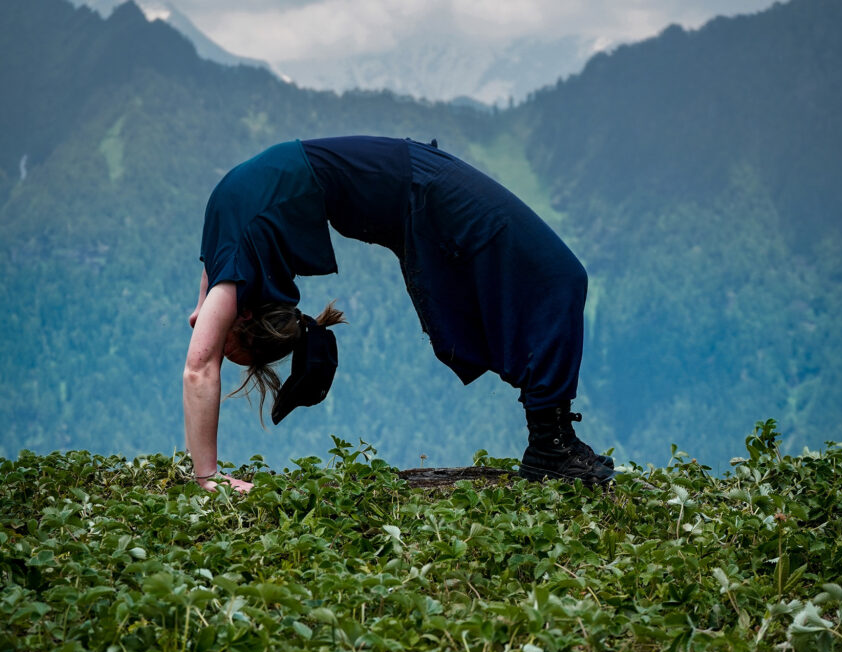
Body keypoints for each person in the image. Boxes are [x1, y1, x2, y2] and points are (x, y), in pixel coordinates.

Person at [184, 136, 614, 493]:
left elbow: (199, 369)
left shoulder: (233, 275)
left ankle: (550, 444)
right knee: (544, 280)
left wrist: (207, 479)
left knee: (560, 277)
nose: (208, 329)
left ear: (241, 317)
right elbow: (199, 318)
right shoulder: (228, 261)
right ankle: (549, 442)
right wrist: (206, 314)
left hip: (422, 183)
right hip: (412, 200)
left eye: (221, 338)